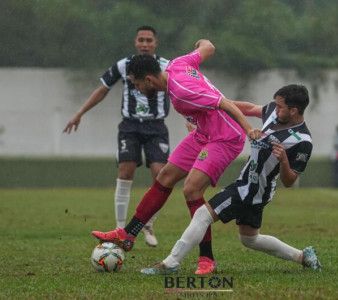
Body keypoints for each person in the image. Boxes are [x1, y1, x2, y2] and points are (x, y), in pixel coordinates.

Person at [92, 39, 262, 274]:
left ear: (149, 80)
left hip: (224, 138)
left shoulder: (180, 91)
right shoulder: (178, 63)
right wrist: (200, 42)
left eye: (137, 84)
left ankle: (207, 258)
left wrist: (248, 128)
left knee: (191, 189)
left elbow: (223, 103)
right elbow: (209, 47)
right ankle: (128, 234)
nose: (138, 90)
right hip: (204, 133)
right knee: (165, 176)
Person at [140, 84, 322, 275]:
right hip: (254, 189)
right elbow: (246, 108)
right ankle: (303, 256)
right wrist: (208, 111)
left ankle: (170, 264)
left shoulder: (302, 141)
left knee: (202, 215)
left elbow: (290, 180)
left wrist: (284, 160)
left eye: (280, 107)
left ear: (294, 110)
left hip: (250, 190)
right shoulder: (273, 113)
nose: (274, 110)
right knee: (249, 238)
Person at [63, 26, 170, 247]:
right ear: (135, 42)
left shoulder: (167, 66)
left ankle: (148, 224)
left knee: (161, 175)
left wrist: (190, 117)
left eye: (149, 40)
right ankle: (120, 229)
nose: (144, 44)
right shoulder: (124, 65)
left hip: (156, 126)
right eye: (141, 39)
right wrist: (80, 113)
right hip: (129, 126)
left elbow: (179, 90)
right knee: (125, 170)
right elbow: (103, 89)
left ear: (155, 43)